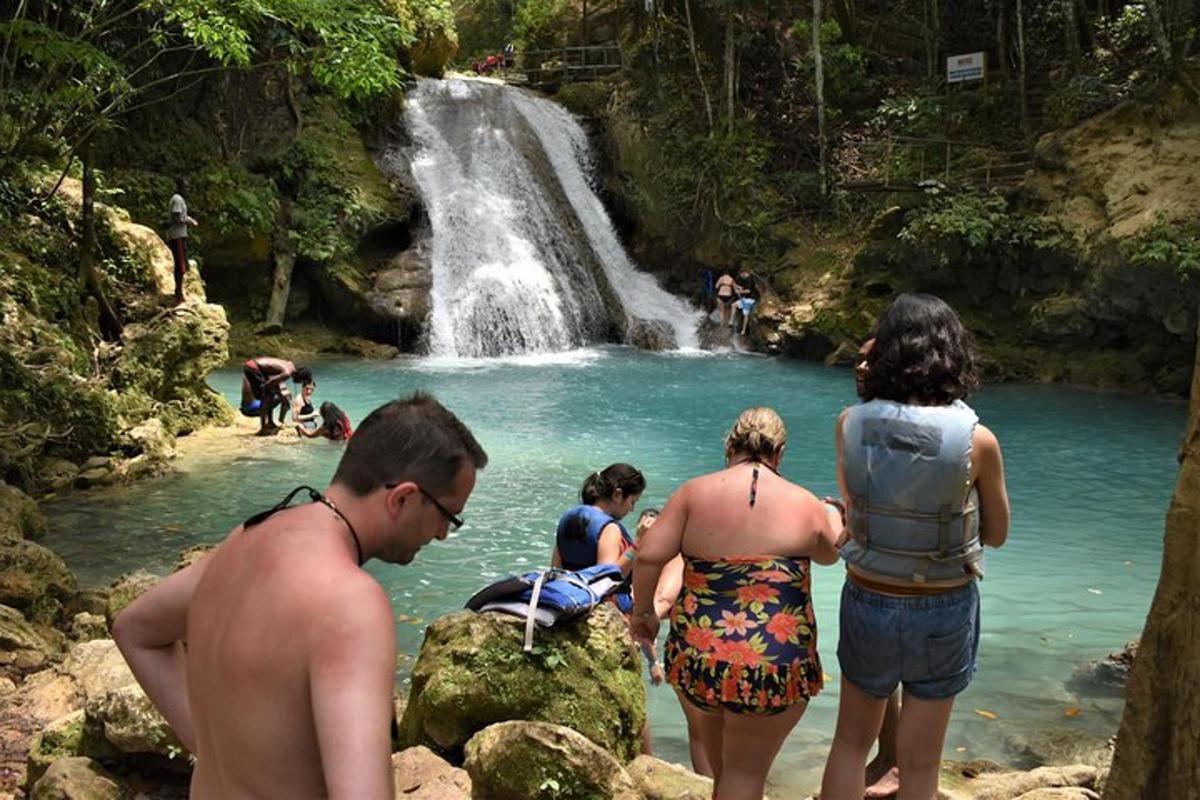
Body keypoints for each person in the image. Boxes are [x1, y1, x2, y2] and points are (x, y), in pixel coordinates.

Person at [112, 392, 488, 799]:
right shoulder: (349, 603)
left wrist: (211, 747)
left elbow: (135, 630)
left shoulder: (245, 539)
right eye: (448, 516)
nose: (442, 534)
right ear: (403, 498)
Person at [819, 293, 1010, 800]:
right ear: (951, 353)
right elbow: (995, 534)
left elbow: (855, 512)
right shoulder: (978, 440)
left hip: (867, 595)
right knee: (921, 764)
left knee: (848, 744)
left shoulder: (849, 424)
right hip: (942, 605)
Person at [632, 408, 842, 799]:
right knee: (745, 776)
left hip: (699, 660)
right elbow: (832, 554)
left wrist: (643, 614)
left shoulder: (692, 494)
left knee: (725, 775)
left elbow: (648, 557)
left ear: (730, 446)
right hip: (773, 665)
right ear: (779, 452)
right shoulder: (806, 502)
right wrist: (835, 513)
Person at [552, 464, 644, 609]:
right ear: (617, 495)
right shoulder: (609, 528)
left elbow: (555, 568)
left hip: (568, 599)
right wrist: (638, 542)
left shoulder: (568, 517)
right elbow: (607, 581)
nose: (632, 509)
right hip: (604, 608)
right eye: (632, 501)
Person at [240, 358, 311, 435]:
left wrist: (279, 394)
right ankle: (264, 428)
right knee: (267, 397)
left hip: (254, 366)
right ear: (300, 377)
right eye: (300, 381)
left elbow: (274, 381)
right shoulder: (287, 373)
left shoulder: (290, 365)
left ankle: (270, 422)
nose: (298, 383)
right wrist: (280, 396)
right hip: (253, 368)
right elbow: (270, 383)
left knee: (270, 394)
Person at [166, 178, 198, 304]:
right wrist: (188, 221)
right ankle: (178, 294)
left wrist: (189, 218)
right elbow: (176, 218)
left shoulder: (179, 200)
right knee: (180, 266)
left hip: (179, 236)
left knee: (182, 265)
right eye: (186, 187)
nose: (188, 190)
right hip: (177, 236)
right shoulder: (178, 199)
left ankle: (179, 292)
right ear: (179, 187)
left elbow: (180, 216)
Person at [733, 266, 760, 336]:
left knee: (745, 315)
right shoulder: (746, 279)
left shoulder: (749, 280)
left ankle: (744, 330)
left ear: (744, 273)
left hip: (750, 299)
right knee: (740, 311)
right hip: (745, 299)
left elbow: (748, 291)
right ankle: (740, 328)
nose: (741, 276)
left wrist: (740, 292)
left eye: (741, 275)